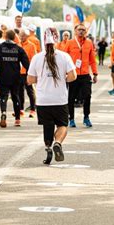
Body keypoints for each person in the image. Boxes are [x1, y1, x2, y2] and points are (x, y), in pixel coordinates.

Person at [28, 28, 77, 164]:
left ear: (44, 42)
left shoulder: (37, 58)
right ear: (57, 40)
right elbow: (73, 76)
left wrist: (43, 79)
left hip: (43, 100)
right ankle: (58, 143)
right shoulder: (64, 56)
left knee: (47, 125)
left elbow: (30, 79)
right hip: (59, 99)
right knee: (62, 125)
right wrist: (63, 80)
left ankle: (48, 148)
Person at [0, 30, 29, 128]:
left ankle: (3, 113)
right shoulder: (19, 49)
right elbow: (26, 63)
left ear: (5, 36)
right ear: (14, 37)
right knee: (15, 96)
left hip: (3, 76)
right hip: (16, 76)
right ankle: (17, 119)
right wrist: (30, 74)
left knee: (4, 96)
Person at [64, 23, 98, 128]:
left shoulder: (89, 43)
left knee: (87, 95)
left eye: (83, 30)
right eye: (79, 29)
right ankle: (71, 119)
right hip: (73, 74)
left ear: (86, 32)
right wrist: (64, 73)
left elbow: (92, 60)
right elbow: (64, 59)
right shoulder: (70, 43)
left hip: (85, 74)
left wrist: (95, 73)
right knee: (71, 97)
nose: (81, 31)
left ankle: (86, 117)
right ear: (75, 31)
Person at [19, 29, 37, 117]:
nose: (21, 37)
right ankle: (21, 109)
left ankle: (33, 109)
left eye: (23, 35)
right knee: (20, 91)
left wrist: (32, 71)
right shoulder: (18, 45)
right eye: (20, 35)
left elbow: (34, 59)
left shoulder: (31, 46)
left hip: (28, 71)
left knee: (30, 91)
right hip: (18, 71)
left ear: (27, 36)